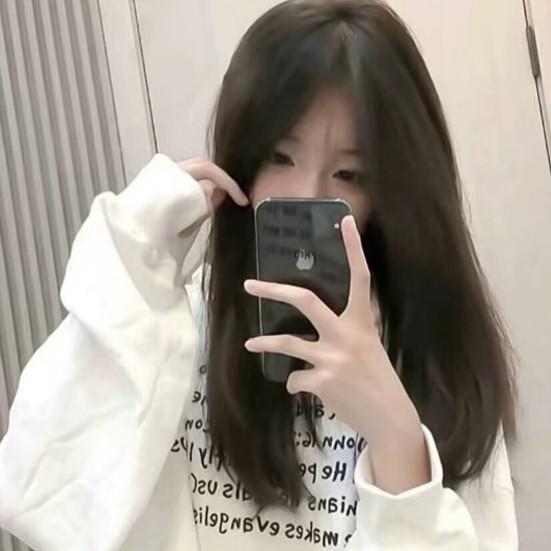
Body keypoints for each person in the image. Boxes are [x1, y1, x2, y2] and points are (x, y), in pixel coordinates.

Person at [0, 0, 518, 549]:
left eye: (349, 173)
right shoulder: (175, 328)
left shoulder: (435, 363)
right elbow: (47, 501)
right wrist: (131, 261)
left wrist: (397, 445)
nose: (306, 195)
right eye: (279, 157)